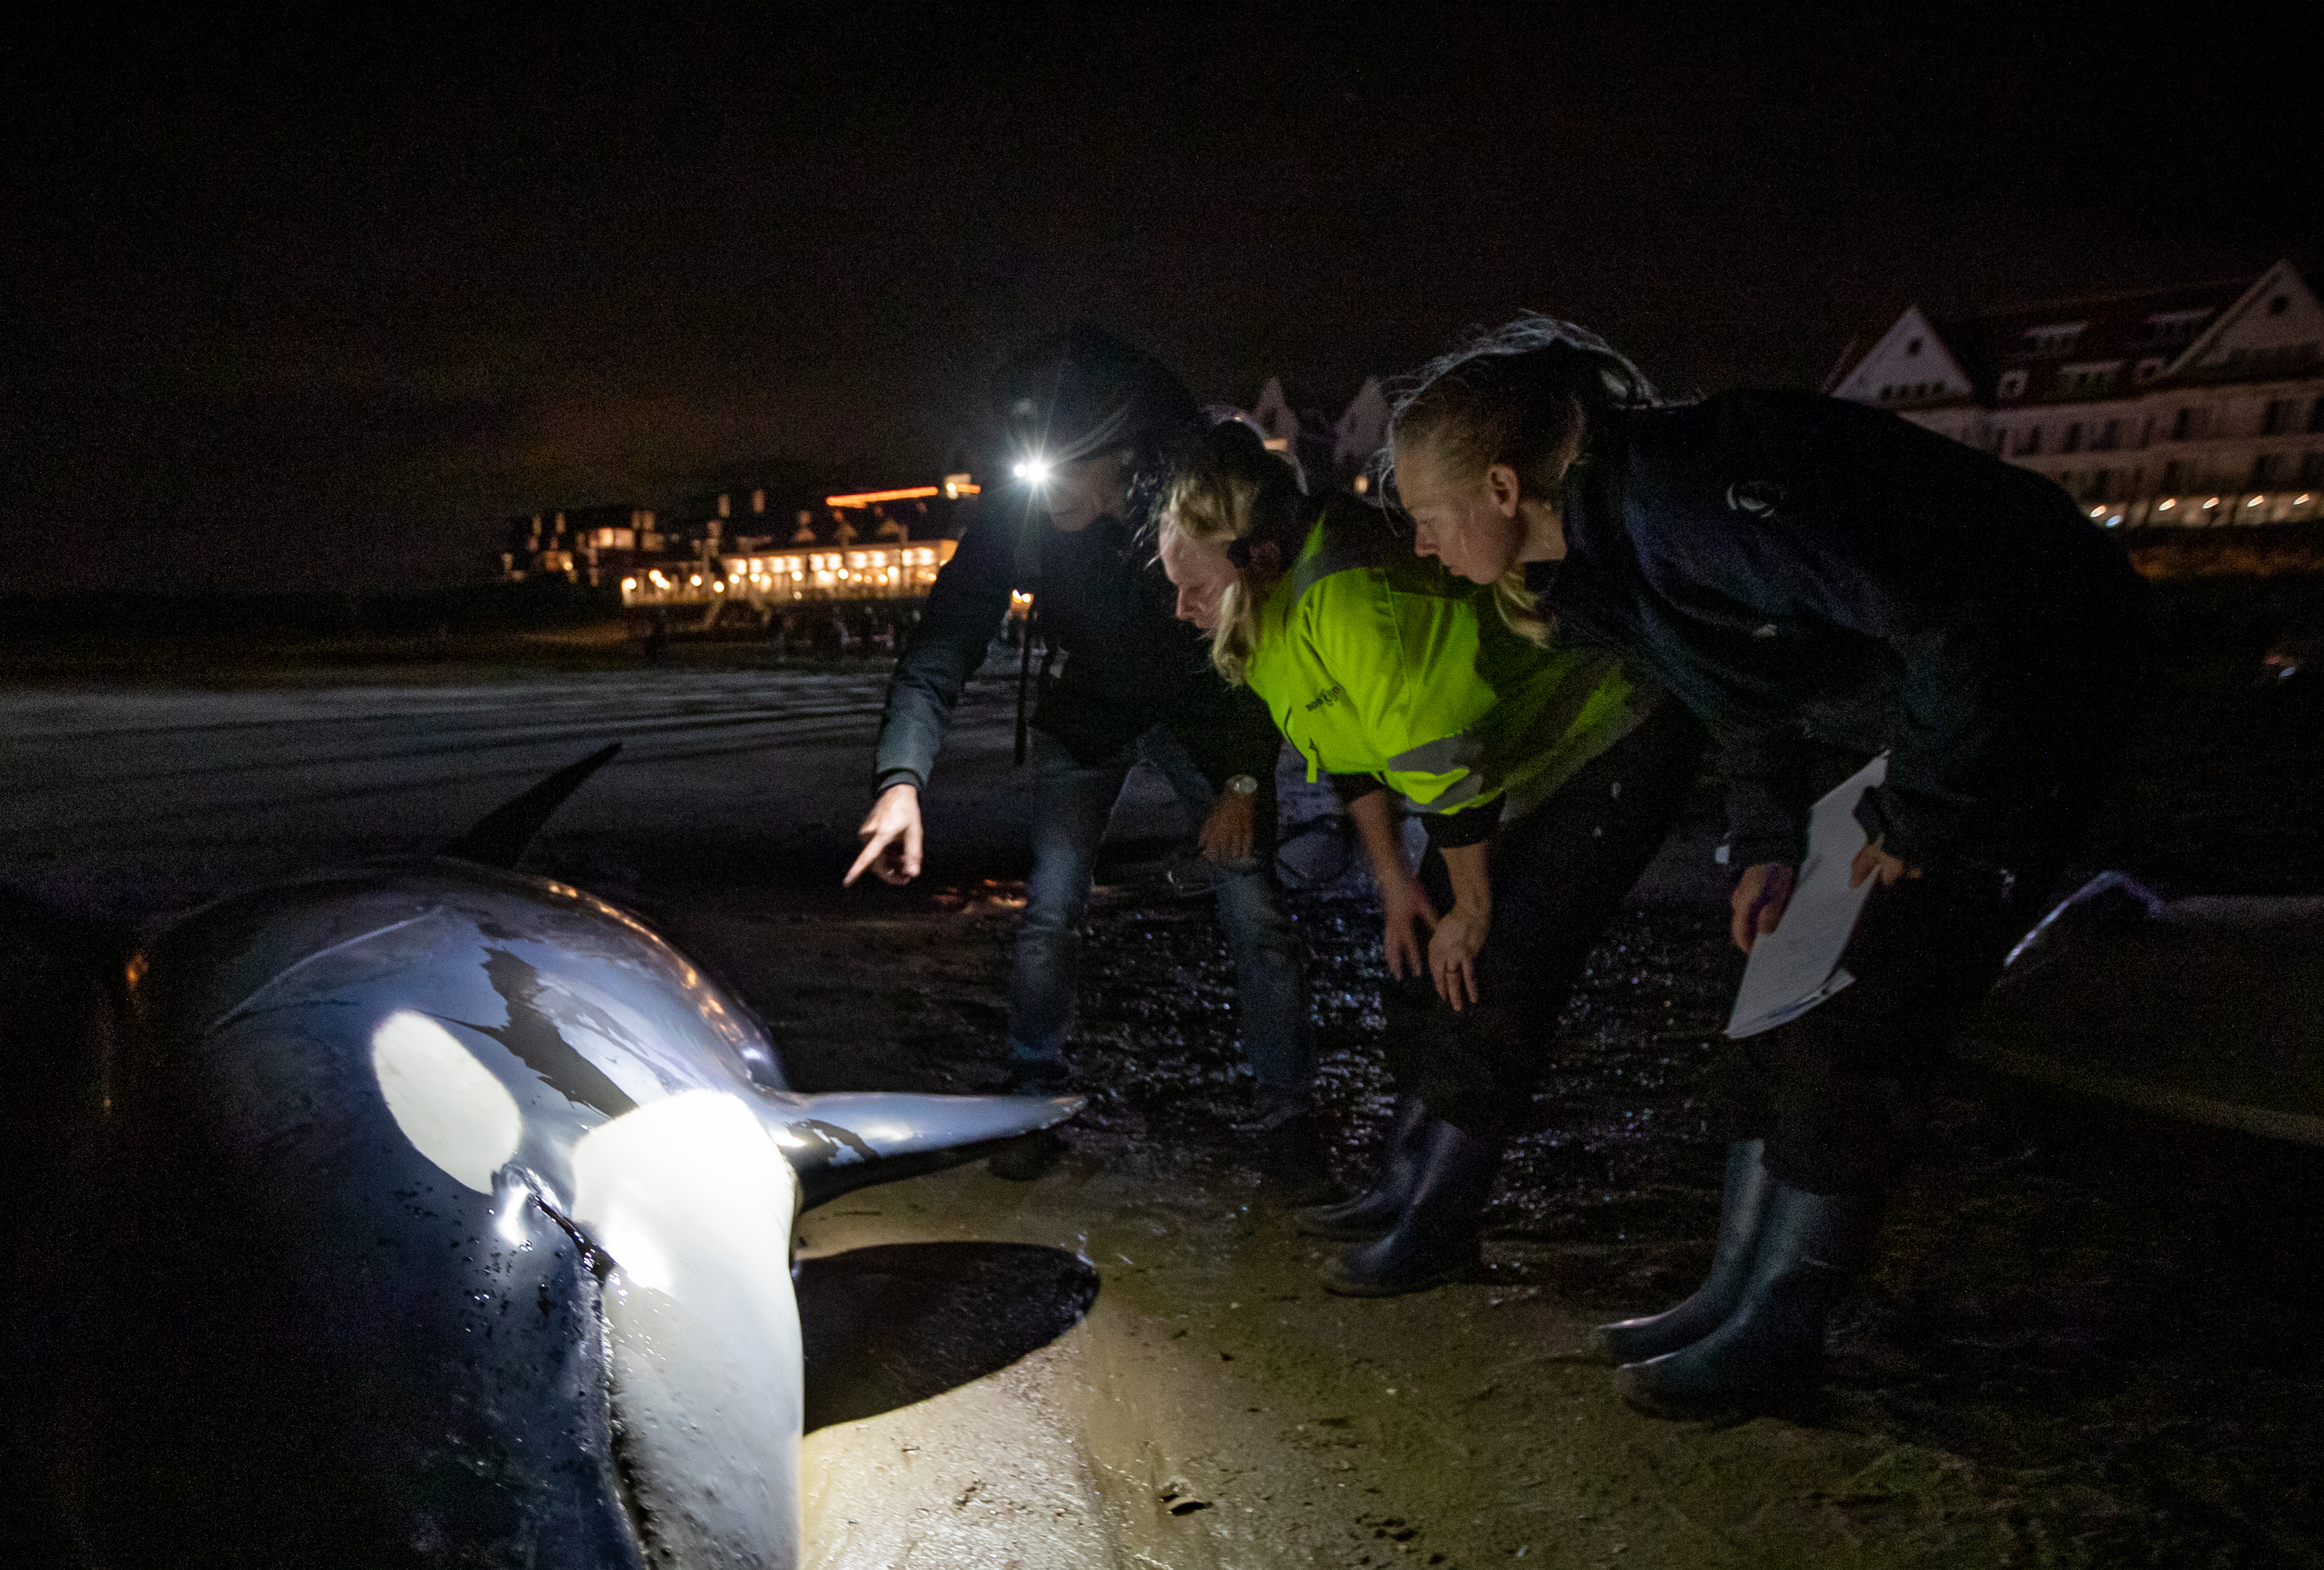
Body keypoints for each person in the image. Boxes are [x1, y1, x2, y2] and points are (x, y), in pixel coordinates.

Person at [1385, 318, 2146, 1415]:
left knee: (1859, 1010)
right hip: (1916, 716)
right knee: (1772, 989)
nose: (1420, 545)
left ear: (1503, 487)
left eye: (1424, 517)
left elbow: (1959, 609)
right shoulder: (1602, 558)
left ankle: (1784, 1327)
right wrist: (1773, 838)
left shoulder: (1683, 499)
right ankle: (1733, 1292)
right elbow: (1735, 690)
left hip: (2038, 687)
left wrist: (1921, 815)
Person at [1154, 419, 1698, 1295]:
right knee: (1418, 968)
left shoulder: (1350, 597)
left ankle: (1440, 1220)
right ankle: (1402, 1183)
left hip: (1602, 740)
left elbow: (1441, 759)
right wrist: (1398, 886)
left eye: (1190, 586)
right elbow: (1360, 755)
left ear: (1252, 556)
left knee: (1492, 973)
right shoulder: (1265, 620)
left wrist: (1471, 911)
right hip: (1498, 774)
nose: (1177, 606)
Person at [845, 326, 1330, 1195]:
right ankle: (1033, 1096)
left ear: (1122, 455)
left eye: (1066, 467)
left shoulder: (1196, 496)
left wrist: (1247, 781)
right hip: (1092, 711)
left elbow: (1262, 634)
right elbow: (943, 641)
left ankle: (1289, 1122)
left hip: (1211, 718)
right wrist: (901, 781)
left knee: (1255, 912)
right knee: (1049, 909)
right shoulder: (1023, 510)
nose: (1045, 488)